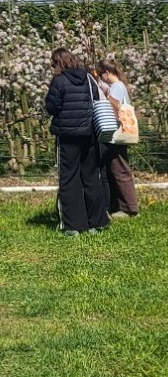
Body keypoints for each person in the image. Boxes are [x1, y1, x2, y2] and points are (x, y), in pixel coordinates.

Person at [44, 48, 110, 236]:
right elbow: (96, 99)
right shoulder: (88, 78)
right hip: (89, 134)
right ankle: (96, 222)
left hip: (68, 136)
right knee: (91, 177)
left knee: (69, 178)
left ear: (57, 63)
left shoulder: (59, 80)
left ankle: (74, 225)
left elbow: (52, 106)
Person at [96, 58, 139, 218]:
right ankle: (120, 205)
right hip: (119, 134)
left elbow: (112, 108)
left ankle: (129, 207)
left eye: (102, 76)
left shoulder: (116, 87)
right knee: (116, 169)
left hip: (117, 134)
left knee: (120, 170)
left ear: (107, 73)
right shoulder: (121, 85)